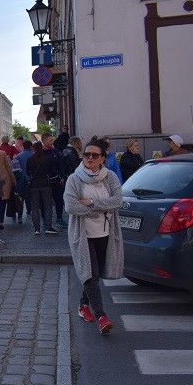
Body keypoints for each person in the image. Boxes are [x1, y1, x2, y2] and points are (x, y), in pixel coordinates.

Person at [64, 139, 124, 334]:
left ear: (103, 158)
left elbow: (118, 201)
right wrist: (96, 210)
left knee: (95, 274)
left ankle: (83, 306)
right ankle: (102, 317)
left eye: (94, 155)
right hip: (83, 235)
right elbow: (71, 206)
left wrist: (91, 202)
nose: (89, 158)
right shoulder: (75, 179)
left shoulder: (110, 177)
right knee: (89, 274)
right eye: (86, 154)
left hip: (105, 232)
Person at [28, 141, 58, 236]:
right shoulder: (46, 159)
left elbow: (27, 171)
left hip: (34, 184)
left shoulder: (30, 159)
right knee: (48, 206)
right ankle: (48, 226)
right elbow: (51, 170)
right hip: (45, 183)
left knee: (35, 207)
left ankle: (36, 228)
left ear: (33, 149)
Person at [42, 133, 67, 227]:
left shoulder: (55, 152)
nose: (52, 142)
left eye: (52, 140)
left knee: (59, 200)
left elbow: (60, 165)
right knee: (46, 202)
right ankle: (45, 220)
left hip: (56, 180)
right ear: (44, 141)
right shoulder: (41, 153)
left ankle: (59, 218)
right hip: (45, 182)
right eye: (50, 140)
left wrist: (62, 177)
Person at [0, 142, 16, 230]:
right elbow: (8, 167)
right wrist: (13, 179)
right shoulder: (2, 153)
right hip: (4, 179)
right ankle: (0, 221)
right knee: (2, 202)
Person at [16, 139, 34, 219]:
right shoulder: (34, 155)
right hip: (31, 178)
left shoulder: (19, 156)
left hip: (21, 178)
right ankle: (29, 209)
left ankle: (20, 212)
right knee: (30, 196)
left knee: (21, 196)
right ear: (30, 146)